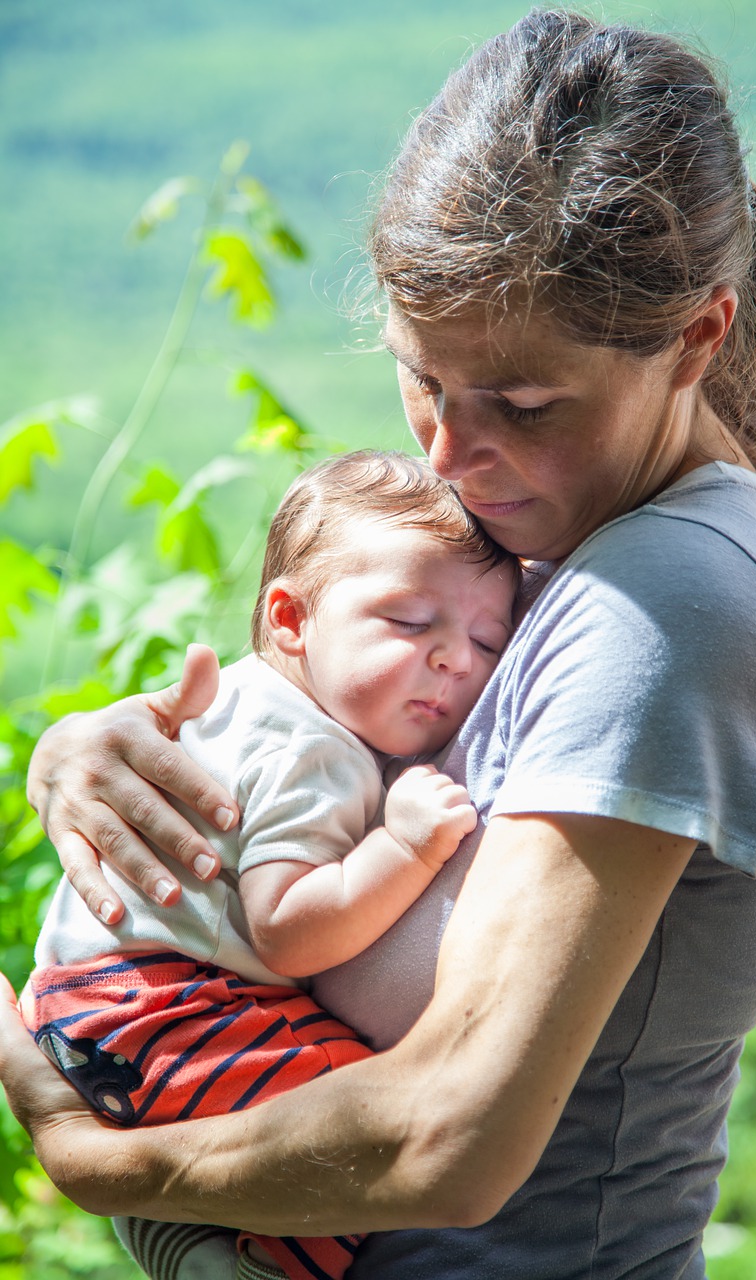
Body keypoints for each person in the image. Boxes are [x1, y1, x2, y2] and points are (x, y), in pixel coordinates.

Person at [0, 10, 756, 1279]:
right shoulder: (555, 520)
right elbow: (318, 710)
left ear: (696, 338)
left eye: (522, 401)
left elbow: (455, 1131)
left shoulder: (672, 600)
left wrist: (95, 1158)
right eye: (422, 378)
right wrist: (89, 750)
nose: (446, 453)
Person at [19, 449, 519, 1280]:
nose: (453, 659)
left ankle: (183, 1239)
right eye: (407, 621)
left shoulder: (252, 702)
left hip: (104, 1005)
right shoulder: (311, 751)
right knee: (369, 1120)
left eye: (485, 640)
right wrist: (404, 844)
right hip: (167, 1007)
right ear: (290, 620)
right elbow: (288, 932)